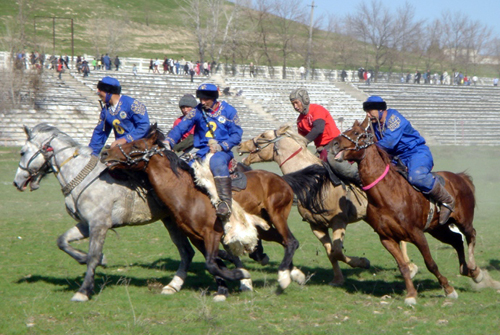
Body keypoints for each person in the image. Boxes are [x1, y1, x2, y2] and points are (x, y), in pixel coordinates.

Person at [362, 96, 454, 224]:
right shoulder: (374, 125)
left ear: (380, 109)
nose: (367, 115)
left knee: (416, 177)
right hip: (397, 159)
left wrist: (369, 149)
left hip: (416, 153)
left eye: (370, 111)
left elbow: (389, 143)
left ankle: (447, 201)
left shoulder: (395, 119)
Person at [164, 83, 243, 220]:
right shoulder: (196, 111)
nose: (202, 102)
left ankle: (225, 202)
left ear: (214, 98)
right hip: (200, 150)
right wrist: (168, 141)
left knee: (216, 162)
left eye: (206, 99)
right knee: (179, 166)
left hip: (222, 151)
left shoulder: (229, 111)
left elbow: (237, 135)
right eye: (201, 99)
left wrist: (222, 146)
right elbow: (181, 127)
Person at [289, 88, 360, 185]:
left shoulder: (317, 110)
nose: (295, 106)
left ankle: (359, 178)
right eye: (293, 104)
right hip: (321, 149)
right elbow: (300, 140)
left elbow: (318, 129)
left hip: (335, 143)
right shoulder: (300, 121)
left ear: (305, 100)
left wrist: (304, 141)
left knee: (334, 163)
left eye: (296, 103)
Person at [88, 77, 150, 157]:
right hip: (121, 150)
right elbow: (100, 133)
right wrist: (91, 154)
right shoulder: (106, 110)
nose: (98, 93)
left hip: (139, 148)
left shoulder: (132, 104)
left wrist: (125, 139)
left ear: (109, 92)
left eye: (100, 90)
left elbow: (144, 126)